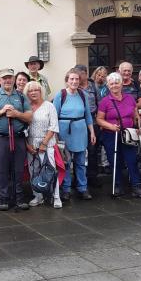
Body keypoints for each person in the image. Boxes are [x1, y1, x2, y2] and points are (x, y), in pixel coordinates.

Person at [0, 68, 33, 211]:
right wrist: (2, 111)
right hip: (0, 138)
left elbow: (29, 117)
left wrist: (16, 114)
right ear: (0, 80)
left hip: (18, 138)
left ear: (14, 79)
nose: (7, 80)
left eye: (10, 77)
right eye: (4, 78)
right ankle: (3, 199)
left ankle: (19, 198)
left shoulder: (21, 96)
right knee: (2, 170)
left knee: (18, 170)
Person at [96, 73, 141, 198]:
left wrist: (138, 126)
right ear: (108, 86)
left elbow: (135, 115)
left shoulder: (130, 98)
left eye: (117, 83)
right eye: (112, 83)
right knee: (115, 160)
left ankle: (136, 185)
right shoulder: (105, 101)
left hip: (129, 133)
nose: (114, 86)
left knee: (132, 160)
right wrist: (111, 126)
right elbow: (99, 119)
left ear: (121, 84)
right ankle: (118, 185)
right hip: (111, 135)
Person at [54, 68, 96, 200]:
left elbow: (88, 115)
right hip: (64, 131)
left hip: (81, 131)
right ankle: (66, 189)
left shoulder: (83, 95)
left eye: (77, 79)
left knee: (81, 162)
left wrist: (92, 132)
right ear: (67, 81)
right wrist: (55, 135)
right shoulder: (60, 95)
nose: (74, 81)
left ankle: (82, 188)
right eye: (71, 79)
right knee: (66, 162)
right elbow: (54, 116)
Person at [25, 81, 61, 208]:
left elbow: (54, 126)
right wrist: (27, 145)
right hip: (31, 145)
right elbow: (21, 128)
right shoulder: (26, 106)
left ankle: (56, 197)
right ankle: (38, 196)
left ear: (41, 91)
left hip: (47, 144)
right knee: (33, 172)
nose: (33, 92)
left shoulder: (49, 106)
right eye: (30, 91)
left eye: (36, 90)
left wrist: (44, 144)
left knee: (50, 171)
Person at [75, 65, 102, 186]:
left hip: (93, 121)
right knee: (78, 150)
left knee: (92, 150)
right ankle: (78, 178)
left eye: (80, 75)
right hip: (78, 121)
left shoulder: (93, 86)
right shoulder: (74, 86)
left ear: (86, 74)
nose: (78, 78)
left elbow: (99, 103)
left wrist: (100, 120)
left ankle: (92, 177)